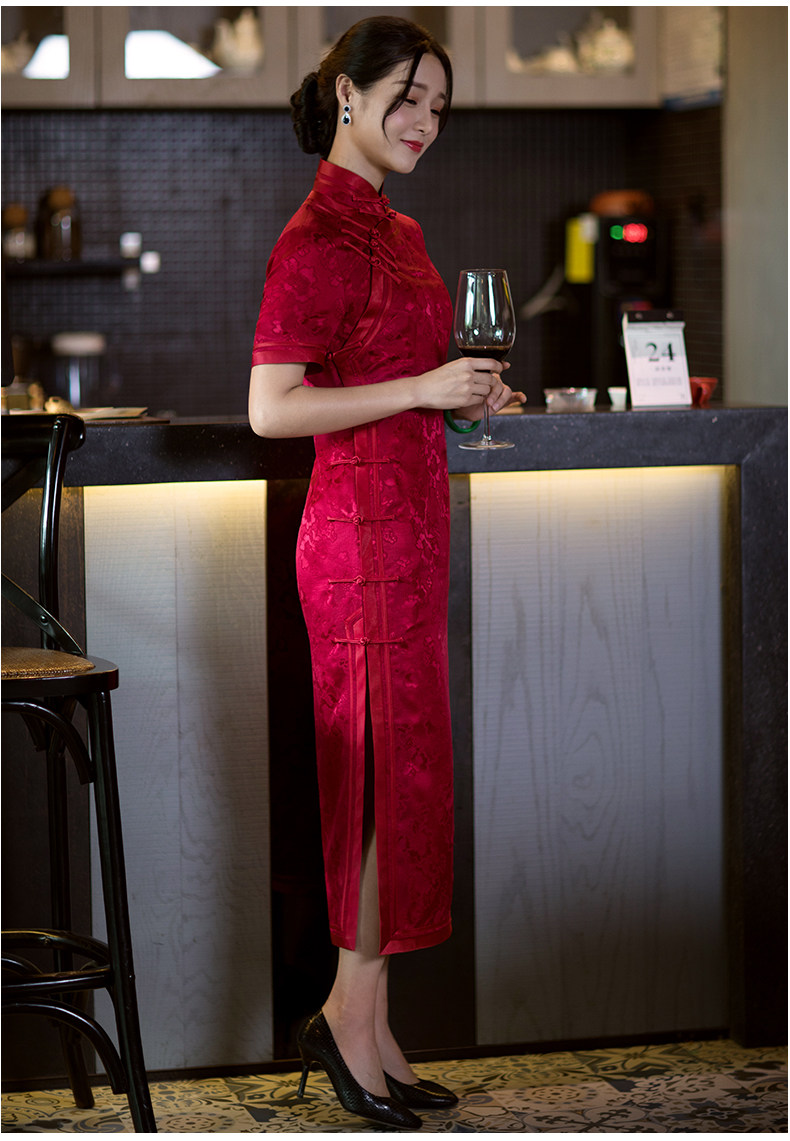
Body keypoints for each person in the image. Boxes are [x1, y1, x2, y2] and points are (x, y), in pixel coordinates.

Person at [249, 15, 524, 1130]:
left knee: (404, 784)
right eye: (408, 98)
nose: (425, 123)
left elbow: (404, 377)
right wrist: (419, 390)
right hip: (356, 551)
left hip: (411, 544)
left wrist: (464, 398)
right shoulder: (315, 236)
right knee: (368, 787)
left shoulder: (401, 234)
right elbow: (271, 409)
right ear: (349, 96)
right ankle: (343, 1021)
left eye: (440, 108)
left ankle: (373, 1023)